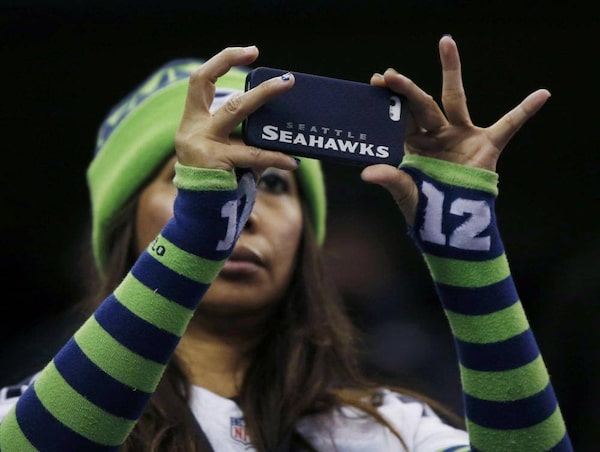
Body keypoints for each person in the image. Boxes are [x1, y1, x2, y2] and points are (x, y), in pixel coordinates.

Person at [0, 36, 572, 451]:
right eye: (190, 182)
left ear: (308, 234)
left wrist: (468, 255)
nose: (240, 212)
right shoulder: (29, 411)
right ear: (124, 226)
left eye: (271, 184)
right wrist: (196, 237)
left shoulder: (390, 432)